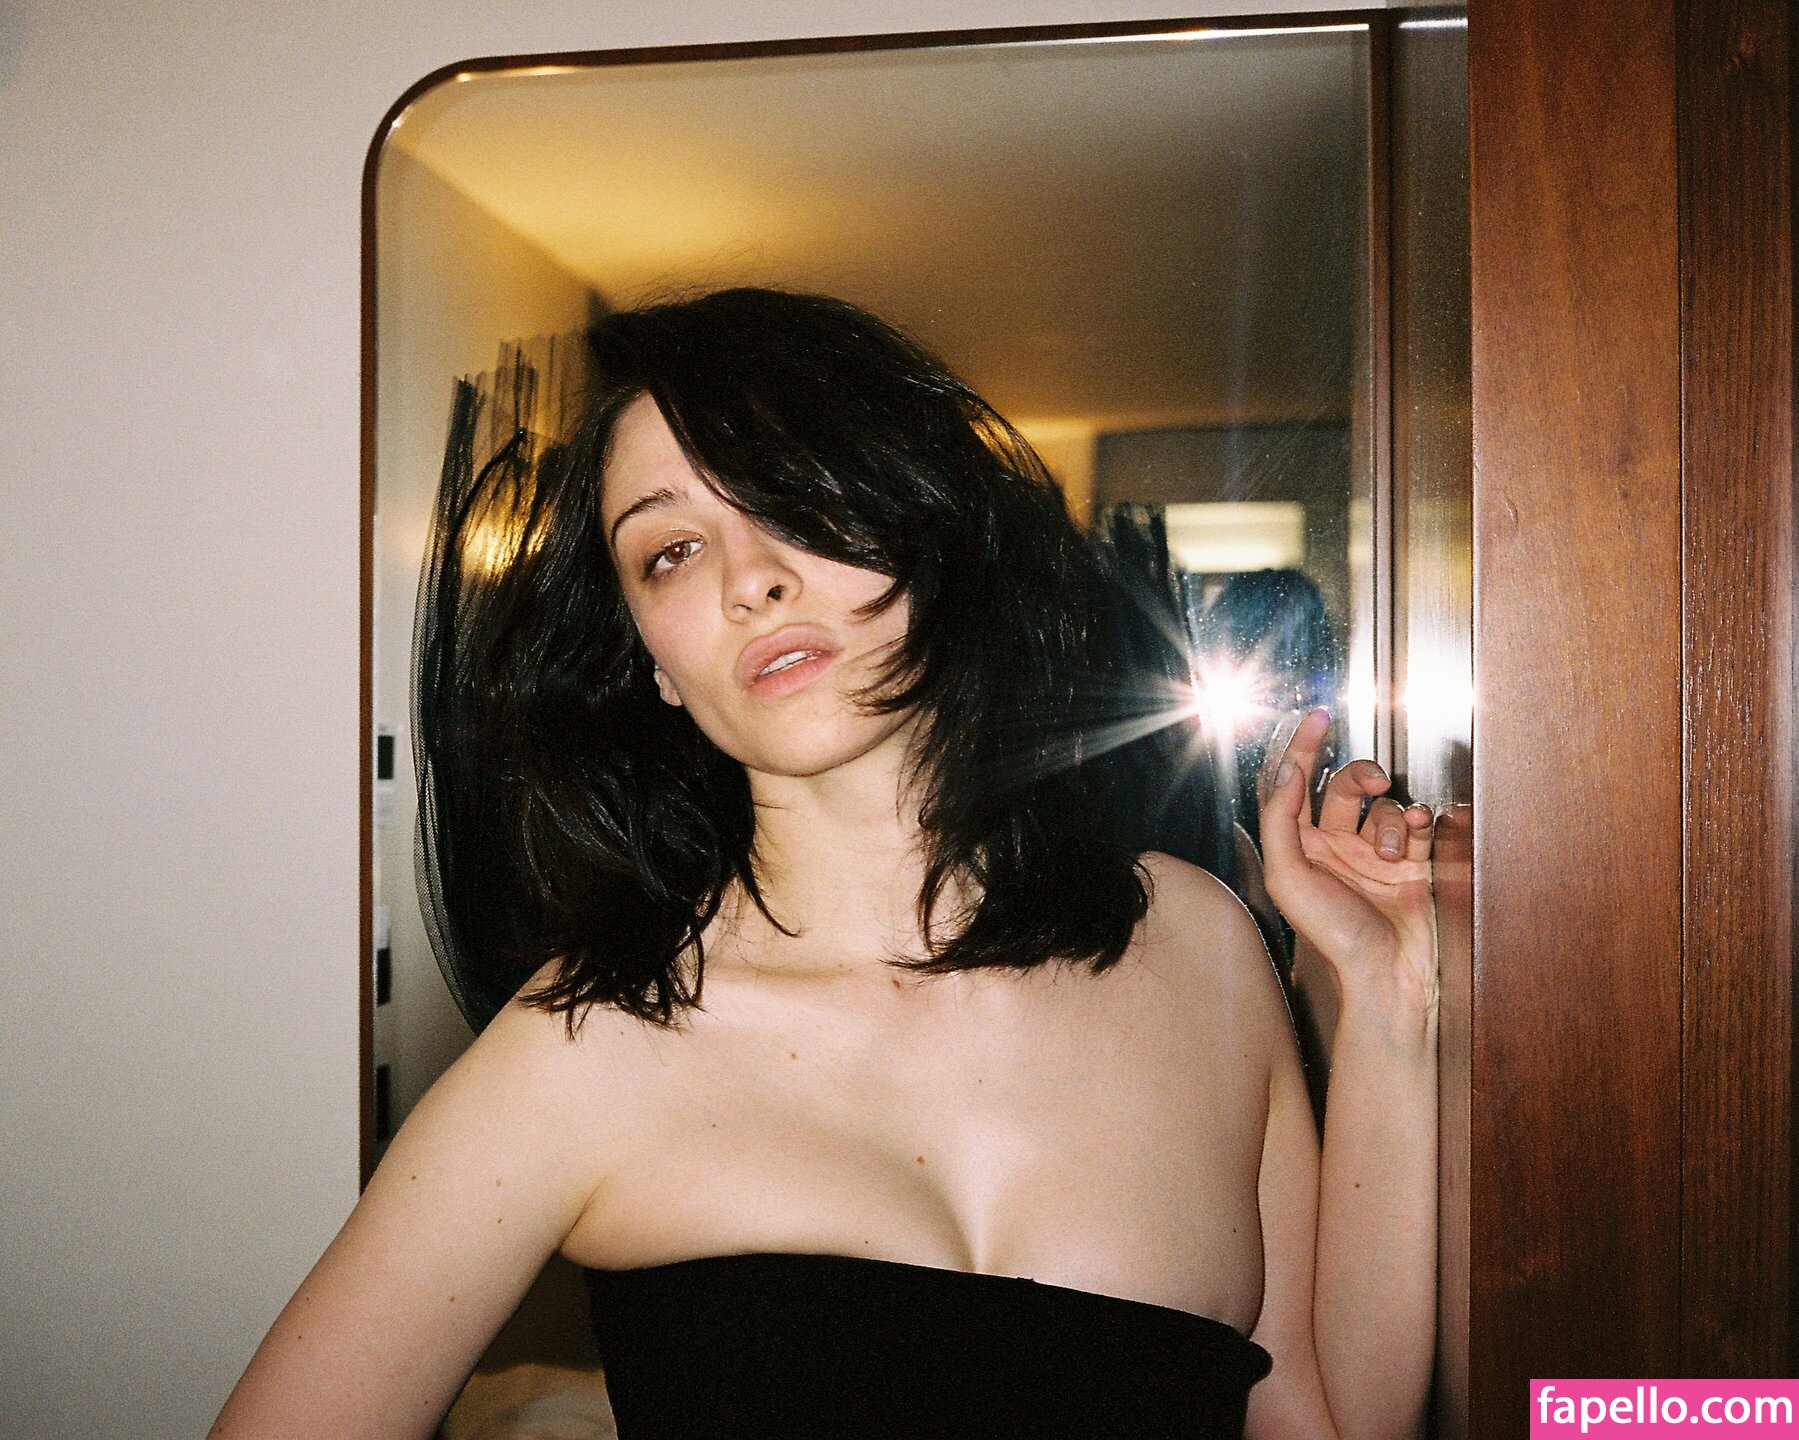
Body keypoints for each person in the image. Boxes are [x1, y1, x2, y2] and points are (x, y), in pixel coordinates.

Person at [211, 289, 1437, 1440]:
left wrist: (1389, 1002)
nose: (750, 578)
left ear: (926, 527)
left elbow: (1322, 1421)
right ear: (650, 661)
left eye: (788, 498)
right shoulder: (584, 1049)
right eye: (669, 552)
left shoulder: (1193, 941)